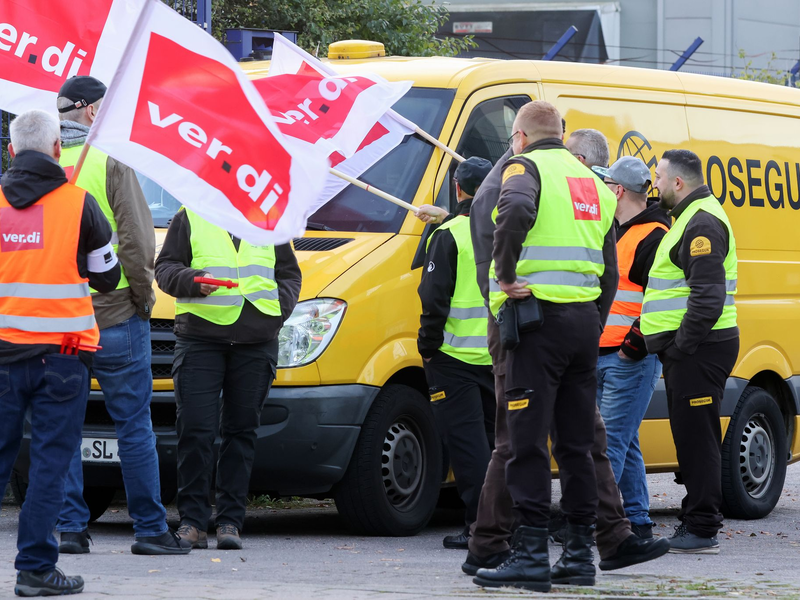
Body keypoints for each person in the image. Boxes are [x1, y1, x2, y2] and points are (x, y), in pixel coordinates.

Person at [473, 100, 617, 592]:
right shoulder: (591, 181)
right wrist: (595, 317)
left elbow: (513, 209)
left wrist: (504, 274)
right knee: (577, 446)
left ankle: (531, 555)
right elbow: (609, 265)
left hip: (537, 324)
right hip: (583, 324)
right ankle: (578, 556)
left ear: (520, 137)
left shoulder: (524, 167)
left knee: (526, 442)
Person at [52, 76, 187, 556]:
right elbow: (136, 238)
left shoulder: (41, 163)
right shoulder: (109, 158)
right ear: (92, 111)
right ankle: (150, 530)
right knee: (133, 425)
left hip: (58, 321)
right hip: (114, 316)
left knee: (62, 427)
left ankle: (71, 528)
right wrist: (143, 299)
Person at [0, 109, 120, 596]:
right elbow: (108, 278)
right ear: (57, 149)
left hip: (3, 358)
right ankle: (35, 570)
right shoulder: (79, 203)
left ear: (11, 151)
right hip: (63, 360)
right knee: (50, 465)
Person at [155, 208, 301, 550]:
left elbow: (289, 275)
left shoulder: (270, 218)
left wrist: (276, 313)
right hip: (200, 340)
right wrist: (193, 280)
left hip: (256, 342)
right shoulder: (191, 213)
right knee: (195, 430)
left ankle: (230, 522)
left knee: (241, 432)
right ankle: (193, 522)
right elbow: (165, 268)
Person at [645, 149, 739, 554]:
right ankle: (698, 520)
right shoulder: (689, 217)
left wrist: (680, 347)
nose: (655, 185)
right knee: (692, 437)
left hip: (700, 349)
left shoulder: (700, 223)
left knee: (697, 441)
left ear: (678, 182)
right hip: (698, 349)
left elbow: (708, 298)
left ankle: (702, 527)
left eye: (659, 178)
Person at [590, 156, 670, 538]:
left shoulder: (654, 235)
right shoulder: (615, 229)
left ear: (618, 190)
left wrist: (633, 346)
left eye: (606, 185)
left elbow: (662, 299)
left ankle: (588, 521)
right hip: (606, 352)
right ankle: (637, 521)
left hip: (629, 358)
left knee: (608, 444)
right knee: (625, 440)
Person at [418, 156, 495, 550]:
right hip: (499, 355)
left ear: (457, 187)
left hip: (455, 356)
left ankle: (481, 526)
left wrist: (427, 346)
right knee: (496, 444)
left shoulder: (449, 234)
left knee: (468, 446)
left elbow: (434, 298)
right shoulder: (506, 228)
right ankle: (504, 522)